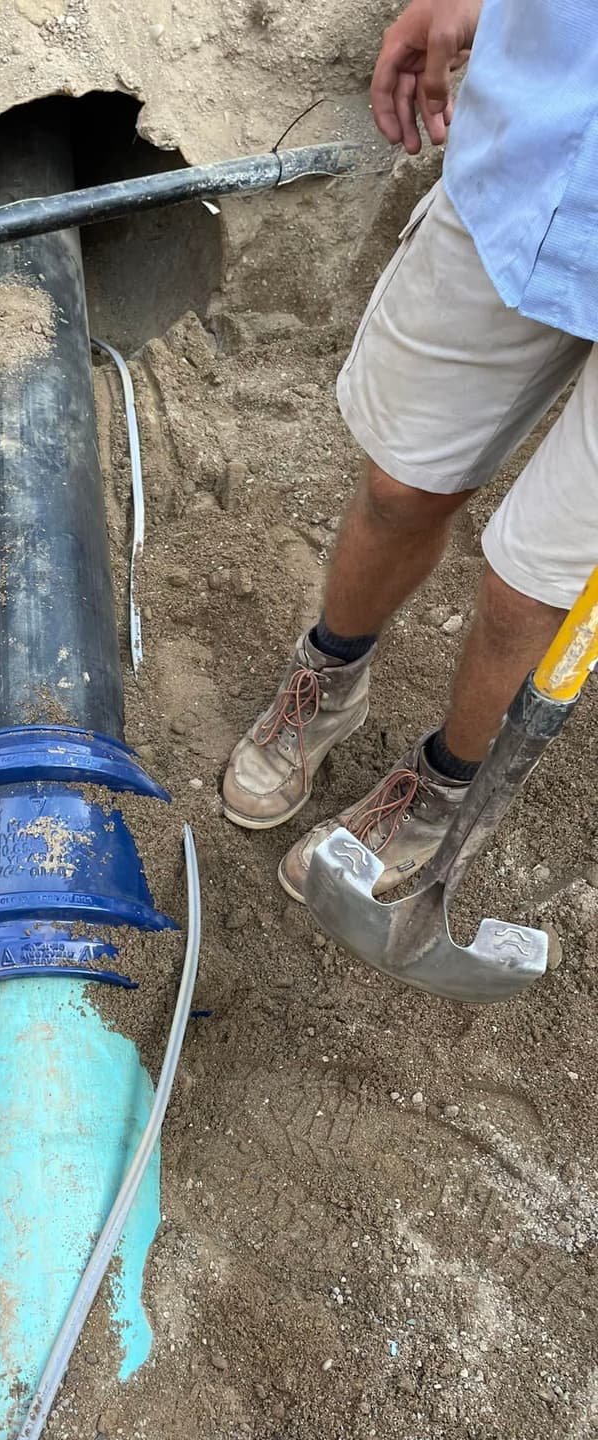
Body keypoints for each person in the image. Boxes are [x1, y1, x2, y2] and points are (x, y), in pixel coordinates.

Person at [224, 0, 598, 901]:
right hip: (531, 163)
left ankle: (440, 786)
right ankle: (331, 674)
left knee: (530, 588)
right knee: (400, 485)